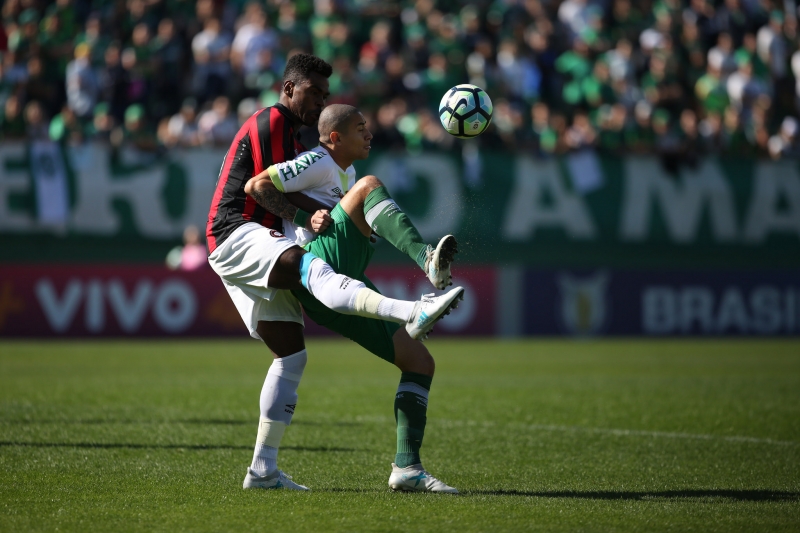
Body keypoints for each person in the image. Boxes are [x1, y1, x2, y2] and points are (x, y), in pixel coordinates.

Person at [205, 54, 463, 491]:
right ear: (289, 88)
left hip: (314, 272)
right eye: (314, 92)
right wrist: (310, 217)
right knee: (364, 194)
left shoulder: (317, 152)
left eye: (325, 94)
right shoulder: (279, 127)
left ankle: (397, 469)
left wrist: (315, 215)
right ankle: (418, 289)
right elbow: (261, 186)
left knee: (305, 356)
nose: (320, 98)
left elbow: (291, 193)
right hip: (239, 230)